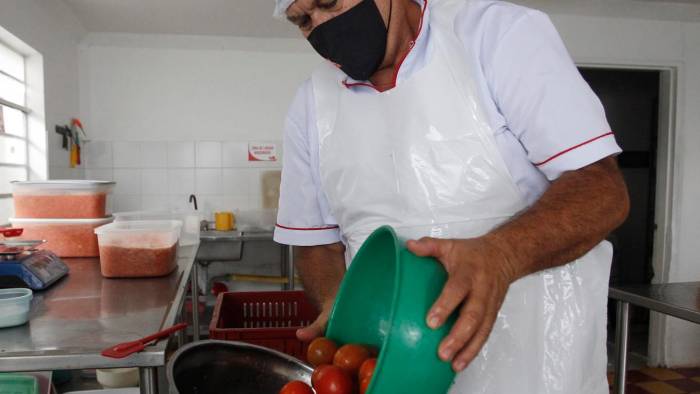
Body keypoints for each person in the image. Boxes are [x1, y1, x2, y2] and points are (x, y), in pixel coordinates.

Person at [272, 0, 630, 392]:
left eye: (327, 2)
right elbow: (314, 243)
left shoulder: (495, 36)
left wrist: (502, 254)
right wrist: (339, 307)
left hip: (537, 366)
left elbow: (602, 189)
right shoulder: (312, 103)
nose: (321, 24)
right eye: (303, 20)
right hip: (395, 374)